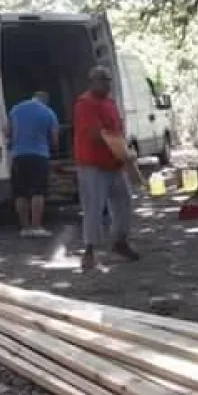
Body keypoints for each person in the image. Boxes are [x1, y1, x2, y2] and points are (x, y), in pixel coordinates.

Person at [74, 67, 140, 268]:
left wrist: (125, 153)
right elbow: (96, 134)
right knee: (93, 207)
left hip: (114, 163)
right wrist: (121, 150)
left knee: (124, 202)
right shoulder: (85, 103)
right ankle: (89, 250)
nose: (107, 84)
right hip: (92, 164)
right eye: (103, 80)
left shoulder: (110, 102)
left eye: (108, 80)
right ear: (92, 82)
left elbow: (118, 129)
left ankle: (120, 241)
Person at [6, 91, 60, 238]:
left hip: (18, 156)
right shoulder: (49, 112)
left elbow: (8, 133)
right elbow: (54, 139)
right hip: (39, 156)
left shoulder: (15, 109)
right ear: (45, 100)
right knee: (38, 192)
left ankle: (25, 228)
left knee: (20, 193)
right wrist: (52, 148)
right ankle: (36, 226)